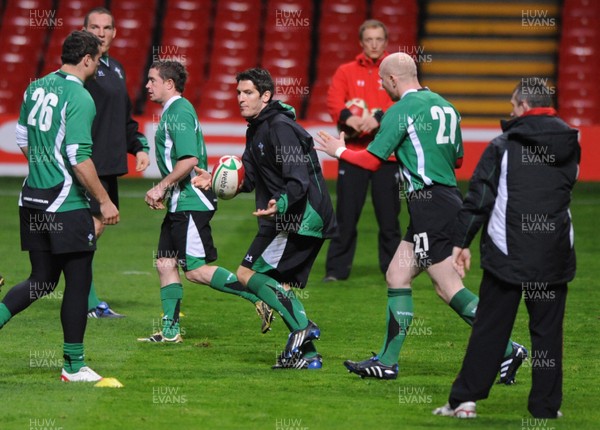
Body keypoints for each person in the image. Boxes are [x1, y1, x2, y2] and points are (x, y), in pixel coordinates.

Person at [315, 53, 526, 381]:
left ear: (394, 80)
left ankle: (509, 349)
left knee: (447, 288)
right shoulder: (446, 106)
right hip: (442, 200)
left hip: (430, 205)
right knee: (396, 276)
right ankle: (386, 361)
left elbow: (372, 161)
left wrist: (338, 152)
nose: (383, 88)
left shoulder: (400, 110)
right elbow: (456, 160)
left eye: (383, 82)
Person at [433, 80, 579, 419]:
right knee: (548, 334)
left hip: (507, 250)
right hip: (554, 252)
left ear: (525, 106)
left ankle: (464, 401)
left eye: (514, 106)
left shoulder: (504, 144)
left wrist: (461, 243)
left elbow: (480, 198)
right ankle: (545, 408)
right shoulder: (571, 144)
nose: (510, 113)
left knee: (490, 327)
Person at [192, 68, 336, 369]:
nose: (240, 99)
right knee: (277, 287)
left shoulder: (280, 127)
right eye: (238, 93)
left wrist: (280, 203)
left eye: (248, 93)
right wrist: (217, 180)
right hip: (284, 215)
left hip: (299, 216)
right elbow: (250, 179)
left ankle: (303, 327)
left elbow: (298, 179)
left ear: (266, 96)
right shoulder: (255, 129)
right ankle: (309, 357)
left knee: (247, 274)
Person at [0, 30, 119, 381]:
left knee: (42, 280)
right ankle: (73, 365)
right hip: (64, 204)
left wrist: (43, 168)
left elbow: (22, 138)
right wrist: (104, 201)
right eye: (97, 59)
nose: (99, 65)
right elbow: (78, 157)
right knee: (78, 283)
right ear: (86, 59)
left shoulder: (35, 87)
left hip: (32, 199)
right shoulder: (80, 97)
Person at [137, 60, 274, 343]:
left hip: (191, 201)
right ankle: (171, 331)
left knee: (196, 271)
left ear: (169, 84)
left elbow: (189, 160)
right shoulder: (172, 112)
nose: (147, 86)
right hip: (180, 202)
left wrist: (160, 187)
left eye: (152, 80)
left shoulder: (179, 112)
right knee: (164, 262)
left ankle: (260, 295)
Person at [82, 7, 150, 318]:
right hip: (87, 165)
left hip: (107, 165)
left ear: (114, 33)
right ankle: (86, 301)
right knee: (88, 231)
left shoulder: (115, 68)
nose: (100, 32)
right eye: (94, 27)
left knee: (92, 230)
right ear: (84, 30)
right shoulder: (80, 69)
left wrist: (139, 146)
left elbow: (123, 119)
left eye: (106, 27)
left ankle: (82, 296)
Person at [323, 19, 401, 282]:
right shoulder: (346, 71)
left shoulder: (397, 70)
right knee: (345, 217)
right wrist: (349, 117)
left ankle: (394, 272)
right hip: (353, 153)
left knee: (389, 220)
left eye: (379, 39)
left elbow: (406, 99)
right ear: (361, 42)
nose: (374, 44)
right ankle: (336, 271)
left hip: (387, 156)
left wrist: (380, 117)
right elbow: (334, 99)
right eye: (369, 39)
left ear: (386, 42)